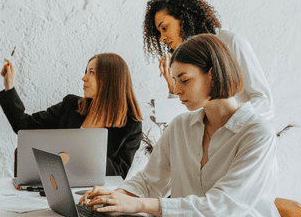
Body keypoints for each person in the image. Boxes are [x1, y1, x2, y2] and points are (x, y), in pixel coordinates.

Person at [78, 34, 280, 216]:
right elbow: (150, 181)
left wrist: (139, 205)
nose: (176, 89)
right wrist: (114, 197)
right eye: (174, 80)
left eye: (184, 80)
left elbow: (222, 207)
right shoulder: (180, 126)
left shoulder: (258, 134)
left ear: (212, 75)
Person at [0, 53, 143, 179]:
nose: (84, 77)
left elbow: (119, 175)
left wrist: (86, 147)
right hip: (57, 186)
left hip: (94, 194)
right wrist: (9, 85)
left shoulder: (131, 124)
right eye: (86, 71)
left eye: (92, 72)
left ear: (111, 80)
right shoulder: (71, 106)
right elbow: (22, 125)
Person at [144, 0, 274, 120]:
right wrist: (173, 88)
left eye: (164, 28)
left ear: (183, 20)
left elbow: (264, 103)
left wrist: (230, 122)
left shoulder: (230, 42)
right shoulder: (182, 62)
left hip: (241, 136)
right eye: (159, 32)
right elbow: (177, 124)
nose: (161, 38)